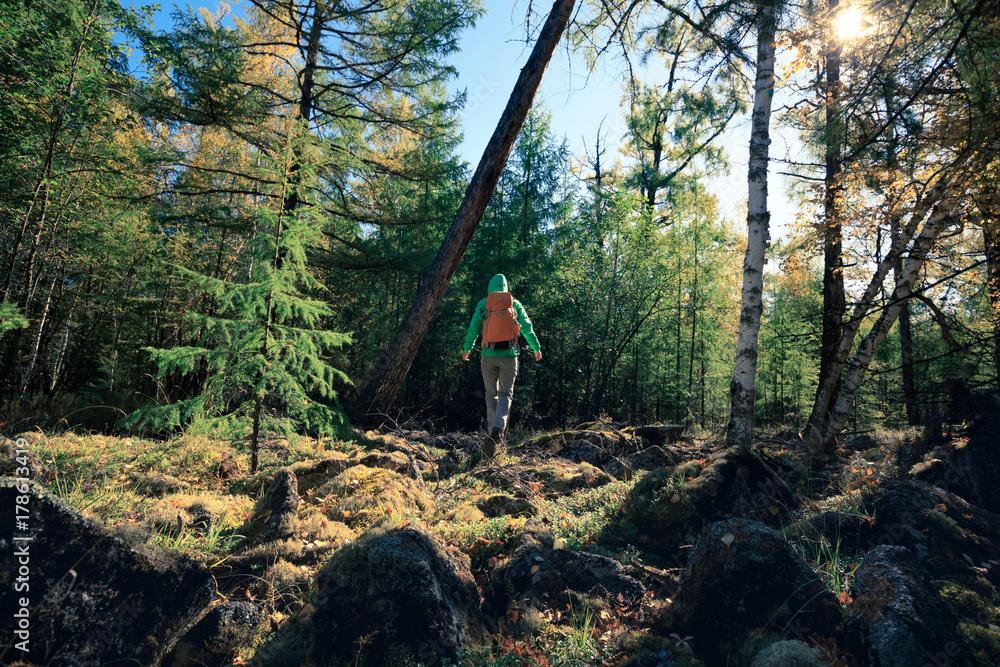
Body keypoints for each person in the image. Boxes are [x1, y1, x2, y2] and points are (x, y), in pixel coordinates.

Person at [462, 274, 542, 444]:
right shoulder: (515, 304)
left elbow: (473, 329)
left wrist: (467, 349)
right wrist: (536, 348)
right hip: (509, 356)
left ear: (490, 287)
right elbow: (527, 327)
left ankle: (492, 431)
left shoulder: (483, 304)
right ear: (506, 287)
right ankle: (499, 428)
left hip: (488, 356)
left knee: (491, 395)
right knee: (505, 394)